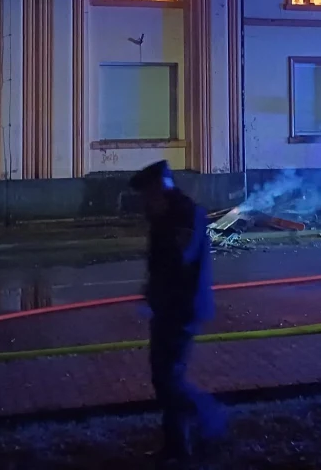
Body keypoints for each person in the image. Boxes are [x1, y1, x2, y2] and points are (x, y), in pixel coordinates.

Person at [130, 160, 225, 461]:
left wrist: (158, 292)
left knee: (169, 378)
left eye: (147, 195)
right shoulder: (166, 214)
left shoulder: (184, 213)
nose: (144, 203)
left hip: (183, 308)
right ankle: (177, 446)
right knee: (163, 377)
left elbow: (179, 259)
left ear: (159, 188)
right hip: (167, 308)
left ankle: (210, 416)